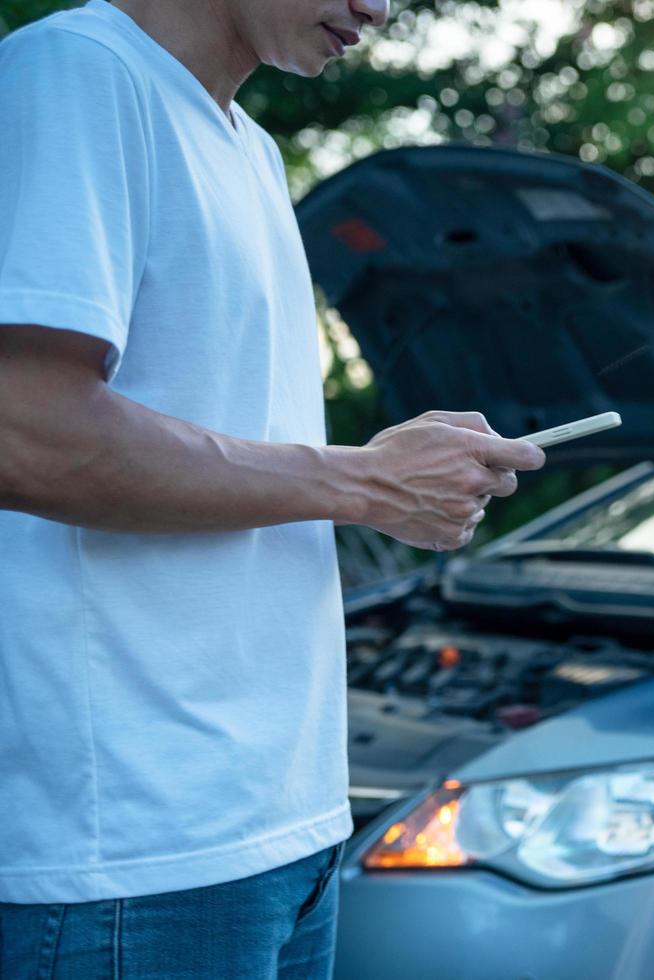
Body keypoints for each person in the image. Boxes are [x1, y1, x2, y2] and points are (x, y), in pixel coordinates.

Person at [0, 0, 544, 975]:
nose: (378, 8)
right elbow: (24, 429)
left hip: (286, 819)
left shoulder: (249, 148)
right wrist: (366, 480)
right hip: (133, 847)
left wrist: (390, 477)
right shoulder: (73, 71)